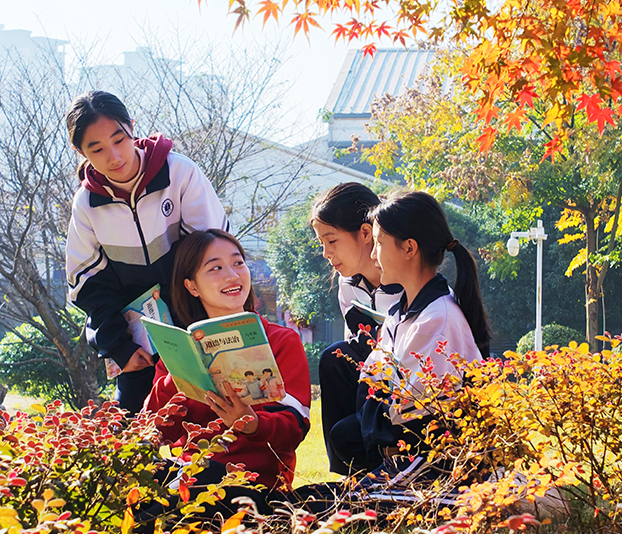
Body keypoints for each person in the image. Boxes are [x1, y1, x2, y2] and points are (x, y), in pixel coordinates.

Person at [64, 91, 228, 414]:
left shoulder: (179, 173)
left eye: (119, 140)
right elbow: (89, 287)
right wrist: (119, 348)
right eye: (97, 149)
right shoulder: (86, 205)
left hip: (199, 327)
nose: (114, 156)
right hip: (139, 345)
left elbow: (214, 254)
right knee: (133, 428)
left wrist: (206, 323)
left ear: (131, 126)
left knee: (216, 422)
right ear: (80, 152)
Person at [143, 229, 311, 512]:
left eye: (238, 263)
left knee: (204, 476)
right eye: (216, 268)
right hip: (189, 473)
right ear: (192, 287)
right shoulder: (178, 348)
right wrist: (179, 374)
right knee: (136, 476)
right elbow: (155, 428)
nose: (233, 275)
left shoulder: (282, 341)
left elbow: (294, 428)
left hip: (253, 486)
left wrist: (252, 423)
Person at [328, 190, 490, 483]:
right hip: (406, 439)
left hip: (434, 458)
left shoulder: (436, 319)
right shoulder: (403, 311)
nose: (373, 255)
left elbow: (414, 416)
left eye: (379, 243)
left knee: (347, 452)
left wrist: (382, 405)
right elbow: (370, 382)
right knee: (345, 434)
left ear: (409, 248)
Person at [309, 182, 402, 474]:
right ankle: (348, 472)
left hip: (408, 380)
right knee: (334, 357)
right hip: (373, 374)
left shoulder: (404, 278)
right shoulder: (347, 285)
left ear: (365, 233)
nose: (325, 253)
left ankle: (384, 462)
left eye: (331, 241)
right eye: (321, 243)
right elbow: (353, 346)